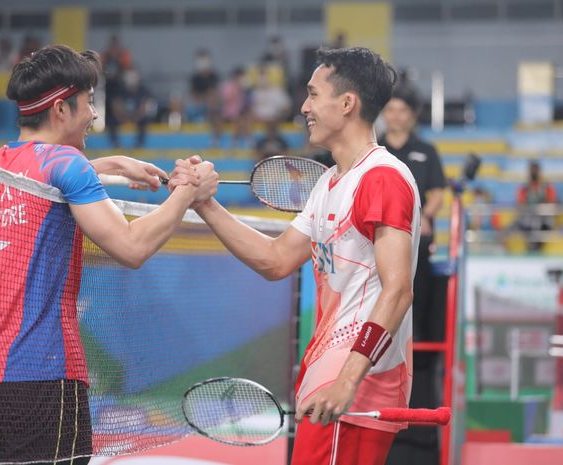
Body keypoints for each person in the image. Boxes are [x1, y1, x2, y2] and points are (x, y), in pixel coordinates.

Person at [0, 44, 217, 465]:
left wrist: (115, 163)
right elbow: (132, 247)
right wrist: (187, 194)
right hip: (44, 372)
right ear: (60, 111)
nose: (94, 114)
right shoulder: (66, 161)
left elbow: (48, 177)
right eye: (88, 102)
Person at [174, 47, 419, 465]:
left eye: (312, 94)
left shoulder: (383, 178)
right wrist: (204, 204)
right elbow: (275, 259)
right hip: (328, 375)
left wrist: (346, 381)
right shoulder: (328, 183)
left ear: (347, 103)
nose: (303, 106)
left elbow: (397, 292)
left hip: (355, 385)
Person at [378, 84, 445, 342]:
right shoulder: (375, 151)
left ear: (412, 115)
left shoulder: (427, 151)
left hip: (418, 240)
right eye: (390, 110)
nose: (395, 115)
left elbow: (437, 192)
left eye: (401, 110)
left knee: (417, 299)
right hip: (379, 238)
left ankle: (417, 348)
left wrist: (424, 218)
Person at [516, 160, 557, 251]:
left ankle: (536, 247)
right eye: (532, 170)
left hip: (543, 220)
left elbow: (551, 204)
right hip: (528, 219)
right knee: (523, 223)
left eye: (535, 170)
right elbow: (521, 205)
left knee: (538, 223)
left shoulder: (546, 187)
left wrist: (540, 208)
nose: (533, 172)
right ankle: (531, 246)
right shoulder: (524, 188)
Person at [107, 67, 154, 147]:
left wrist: (135, 118)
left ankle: (139, 144)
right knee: (111, 120)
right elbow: (116, 106)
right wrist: (124, 118)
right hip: (122, 117)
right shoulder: (119, 90)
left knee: (144, 121)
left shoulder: (143, 90)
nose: (131, 79)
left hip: (137, 117)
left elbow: (144, 108)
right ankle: (115, 143)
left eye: (133, 76)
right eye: (129, 76)